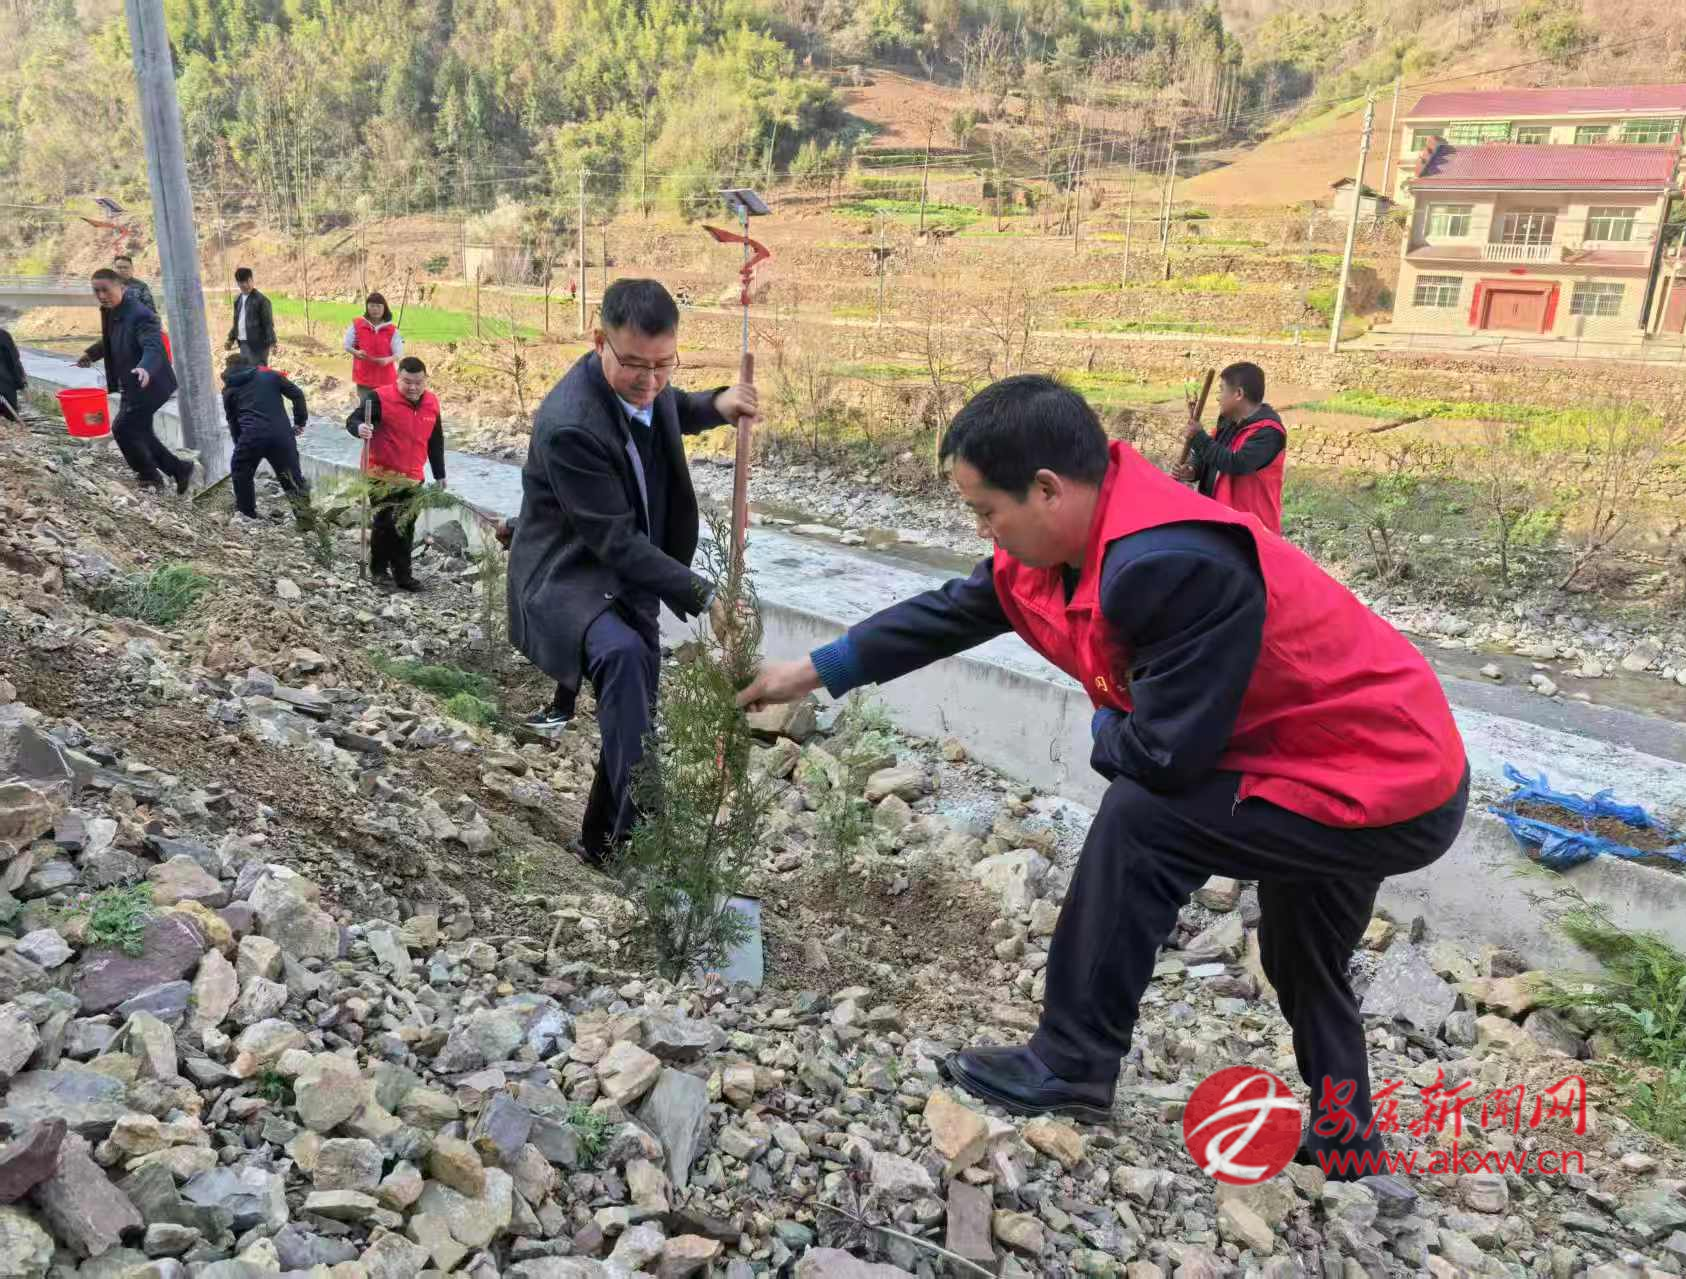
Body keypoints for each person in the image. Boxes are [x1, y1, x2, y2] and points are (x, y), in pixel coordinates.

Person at [737, 376, 1468, 1184]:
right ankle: (1349, 1139)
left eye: (987, 511)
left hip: (1386, 775)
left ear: (1048, 489)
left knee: (1144, 819)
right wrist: (808, 671)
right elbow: (952, 611)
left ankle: (1073, 1058)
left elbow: (1163, 756)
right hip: (1333, 753)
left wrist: (1103, 724)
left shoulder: (1169, 564)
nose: (982, 530)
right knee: (1302, 949)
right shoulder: (1066, 544)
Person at [506, 278, 759, 865]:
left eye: (663, 364)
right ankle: (648, 841)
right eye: (636, 366)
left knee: (635, 707)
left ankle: (604, 844)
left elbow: (673, 406)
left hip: (630, 572)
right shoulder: (571, 425)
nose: (650, 381)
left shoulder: (647, 384)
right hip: (569, 573)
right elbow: (614, 541)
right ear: (601, 342)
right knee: (623, 660)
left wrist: (718, 405)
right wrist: (705, 595)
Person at [76, 268, 193, 493]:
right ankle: (179, 469)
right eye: (96, 291)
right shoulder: (111, 310)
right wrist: (91, 354)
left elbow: (153, 347)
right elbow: (111, 339)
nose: (101, 296)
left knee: (122, 428)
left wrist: (145, 367)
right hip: (131, 384)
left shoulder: (141, 315)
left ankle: (149, 477)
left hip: (148, 384)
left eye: (105, 290)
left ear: (121, 287)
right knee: (141, 431)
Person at [345, 355, 444, 590]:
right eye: (407, 382)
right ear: (398, 378)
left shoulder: (432, 402)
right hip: (380, 474)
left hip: (413, 477)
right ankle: (379, 570)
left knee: (406, 525)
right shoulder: (378, 397)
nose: (413, 388)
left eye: (418, 383)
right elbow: (353, 419)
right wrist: (360, 428)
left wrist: (440, 474)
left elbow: (435, 440)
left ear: (425, 380)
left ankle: (403, 575)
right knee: (385, 523)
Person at [1173, 361, 1286, 535]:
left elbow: (1236, 464)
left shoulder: (1269, 432)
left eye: (1221, 390)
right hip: (1220, 522)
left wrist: (1198, 437)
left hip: (1251, 531)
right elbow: (1209, 455)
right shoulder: (1227, 421)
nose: (1218, 397)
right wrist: (1192, 469)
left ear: (1238, 394)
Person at [223, 353, 310, 524]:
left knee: (240, 470)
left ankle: (247, 516)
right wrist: (300, 422)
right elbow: (297, 394)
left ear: (228, 370)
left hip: (252, 437)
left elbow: (233, 422)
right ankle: (306, 522)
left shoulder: (229, 389)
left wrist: (240, 444)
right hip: (281, 435)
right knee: (291, 478)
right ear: (250, 364)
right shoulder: (270, 375)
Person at [344, 293, 402, 400]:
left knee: (384, 407)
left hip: (386, 379)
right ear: (367, 307)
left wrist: (387, 360)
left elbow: (398, 353)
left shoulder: (392, 330)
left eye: (378, 306)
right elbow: (347, 345)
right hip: (364, 378)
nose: (375, 309)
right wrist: (355, 352)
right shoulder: (357, 325)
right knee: (366, 407)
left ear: (384, 308)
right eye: (371, 306)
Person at [226, 268, 277, 369]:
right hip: (243, 344)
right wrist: (230, 339)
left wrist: (273, 343)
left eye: (248, 281)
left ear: (252, 280)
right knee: (247, 372)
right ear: (238, 283)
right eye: (242, 282)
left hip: (259, 345)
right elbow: (237, 323)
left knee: (259, 372)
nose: (246, 284)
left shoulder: (262, 301)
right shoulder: (237, 300)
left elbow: (268, 324)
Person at [0, 326, 23, 420]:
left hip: (5, 384)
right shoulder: (3, 335)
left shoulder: (3, 335)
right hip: (6, 385)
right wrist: (20, 383)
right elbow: (13, 360)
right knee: (10, 418)